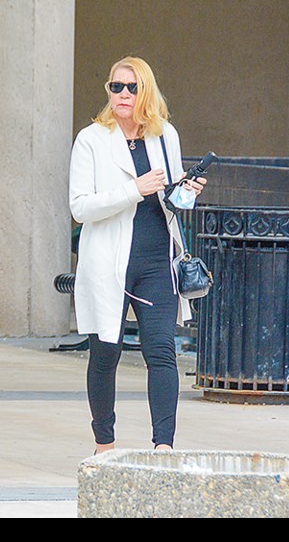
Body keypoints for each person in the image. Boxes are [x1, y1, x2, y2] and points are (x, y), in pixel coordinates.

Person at [68, 56, 206, 454]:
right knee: (105, 350)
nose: (123, 95)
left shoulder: (165, 136)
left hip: (156, 260)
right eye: (116, 87)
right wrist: (135, 189)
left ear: (146, 92)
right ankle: (104, 443)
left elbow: (171, 200)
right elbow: (80, 207)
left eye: (132, 88)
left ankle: (164, 446)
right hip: (108, 261)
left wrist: (188, 192)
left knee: (161, 350)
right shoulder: (91, 139)